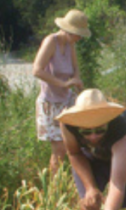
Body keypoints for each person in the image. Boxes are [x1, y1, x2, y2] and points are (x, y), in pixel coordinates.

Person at [33, 9, 89, 173]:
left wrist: (77, 81)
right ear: (69, 30)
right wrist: (62, 84)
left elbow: (75, 68)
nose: (79, 38)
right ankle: (55, 189)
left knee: (75, 143)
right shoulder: (51, 41)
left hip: (66, 100)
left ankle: (74, 179)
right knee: (59, 150)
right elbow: (37, 70)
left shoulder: (70, 44)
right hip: (51, 102)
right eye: (77, 34)